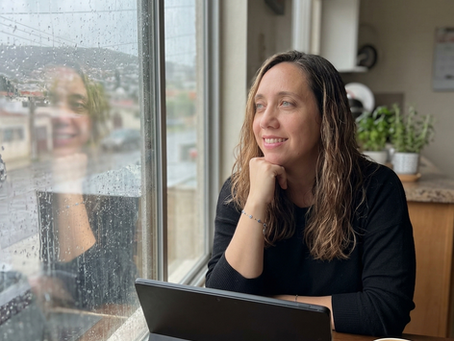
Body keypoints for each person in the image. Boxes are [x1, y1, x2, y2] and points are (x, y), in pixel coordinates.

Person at [205, 50, 416, 337]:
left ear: (326, 116)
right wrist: (255, 202)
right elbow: (221, 305)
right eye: (259, 105)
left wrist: (275, 305)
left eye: (286, 103)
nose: (266, 120)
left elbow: (385, 310)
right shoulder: (240, 189)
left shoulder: (378, 188)